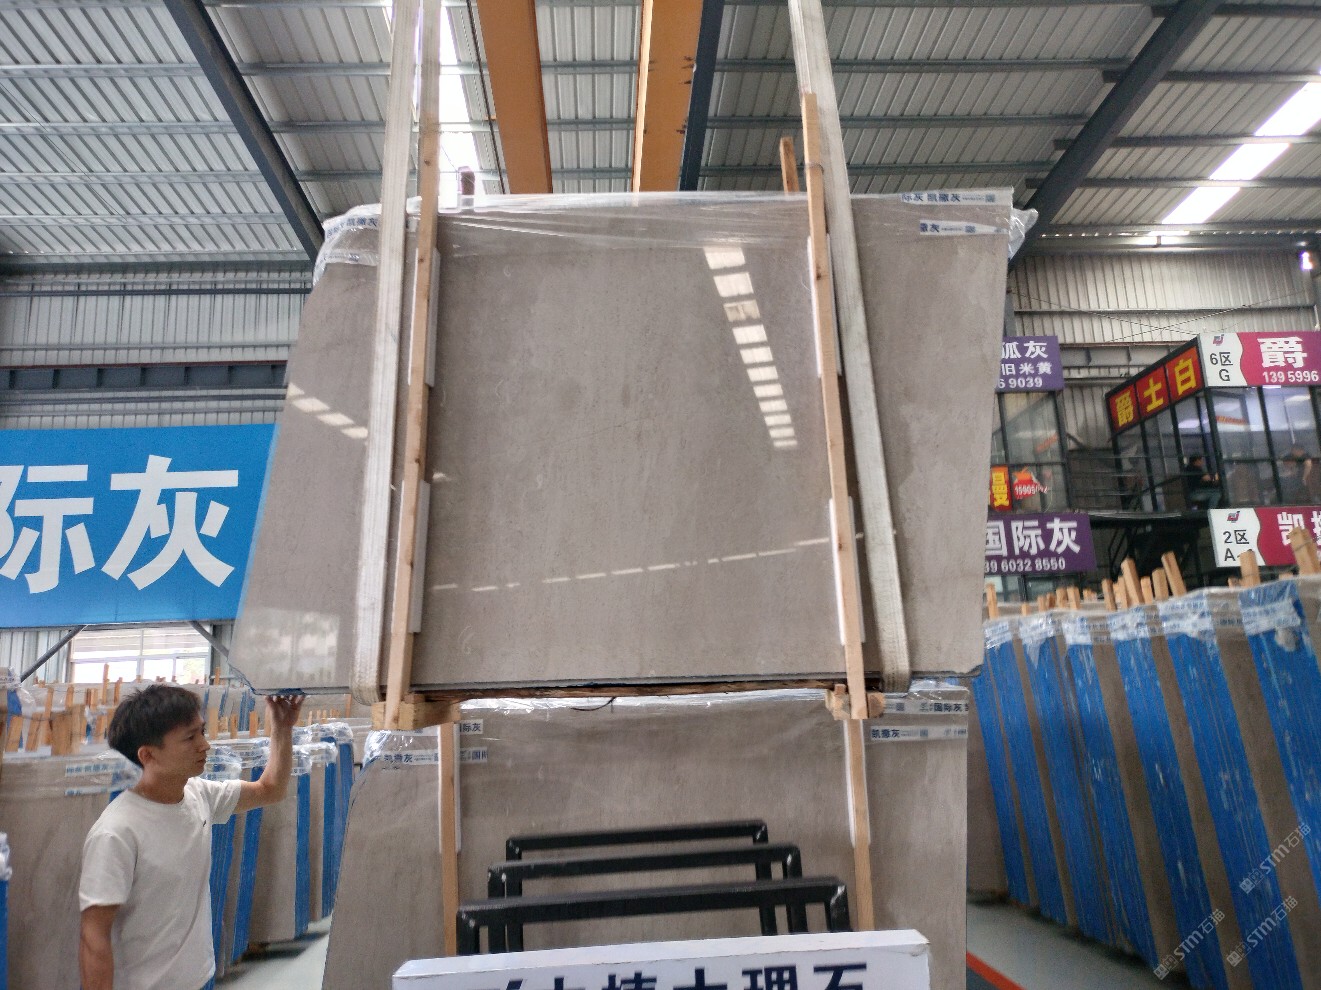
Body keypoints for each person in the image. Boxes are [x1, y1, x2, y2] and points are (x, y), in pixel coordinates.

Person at [79, 685, 304, 990]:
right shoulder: (116, 833)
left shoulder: (199, 794)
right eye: (190, 738)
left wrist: (282, 728)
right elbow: (94, 937)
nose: (205, 745)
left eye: (201, 732)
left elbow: (270, 790)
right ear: (148, 755)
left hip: (200, 978)